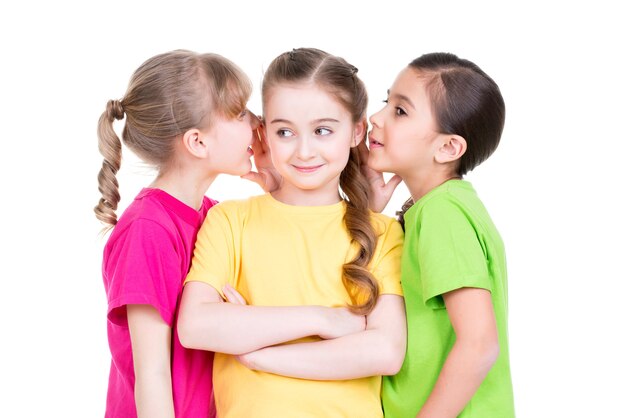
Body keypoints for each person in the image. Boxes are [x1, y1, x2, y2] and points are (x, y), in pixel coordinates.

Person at [177, 47, 407, 418]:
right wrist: (323, 320)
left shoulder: (382, 232)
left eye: (322, 131)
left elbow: (385, 351)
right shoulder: (230, 220)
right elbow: (196, 326)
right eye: (285, 131)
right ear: (264, 132)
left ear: (356, 131)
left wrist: (258, 352)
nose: (303, 150)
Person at [95, 49, 267, 418]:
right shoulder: (148, 230)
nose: (256, 123)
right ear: (197, 142)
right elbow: (152, 374)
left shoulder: (214, 216)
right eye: (239, 114)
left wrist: (277, 185)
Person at [362, 52, 515, 417]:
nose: (376, 118)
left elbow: (479, 343)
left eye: (400, 111)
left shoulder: (442, 213)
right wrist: (370, 214)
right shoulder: (437, 208)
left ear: (448, 147)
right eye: (387, 102)